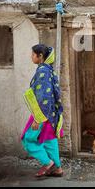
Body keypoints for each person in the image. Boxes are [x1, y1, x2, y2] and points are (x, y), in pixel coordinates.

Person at [21, 44, 64, 178]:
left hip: (42, 113)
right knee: (50, 140)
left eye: (33, 54)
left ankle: (47, 163)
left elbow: (43, 96)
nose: (31, 57)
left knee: (27, 139)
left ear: (40, 56)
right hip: (51, 114)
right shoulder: (49, 70)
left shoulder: (42, 72)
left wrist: (37, 118)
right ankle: (58, 169)